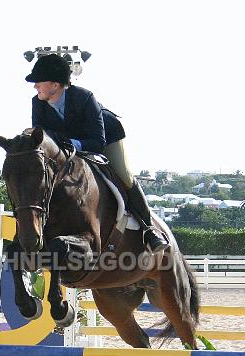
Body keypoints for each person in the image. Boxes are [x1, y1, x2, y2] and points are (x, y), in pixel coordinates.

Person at [25, 53, 169, 253]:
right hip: (66, 147)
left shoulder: (84, 97)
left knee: (124, 175)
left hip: (104, 138)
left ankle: (149, 229)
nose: (35, 86)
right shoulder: (38, 102)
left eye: (39, 82)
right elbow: (42, 138)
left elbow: (97, 142)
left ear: (56, 84)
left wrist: (71, 143)